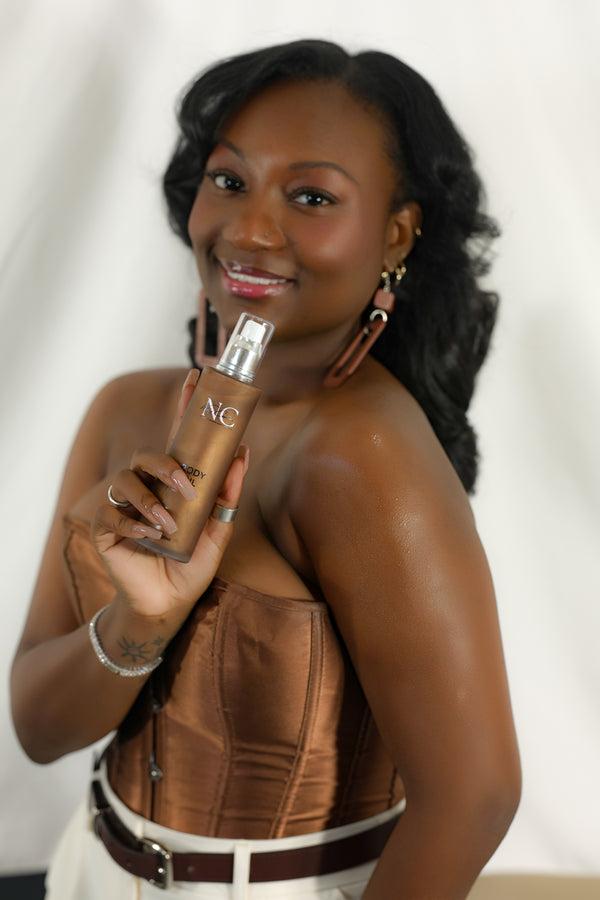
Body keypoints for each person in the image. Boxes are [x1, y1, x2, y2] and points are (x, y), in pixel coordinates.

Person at [10, 39, 521, 900]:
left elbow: (473, 798)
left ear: (397, 231)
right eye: (229, 180)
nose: (247, 230)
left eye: (312, 196)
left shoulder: (366, 457)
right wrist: (140, 623)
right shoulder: (126, 409)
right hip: (90, 868)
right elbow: (36, 726)